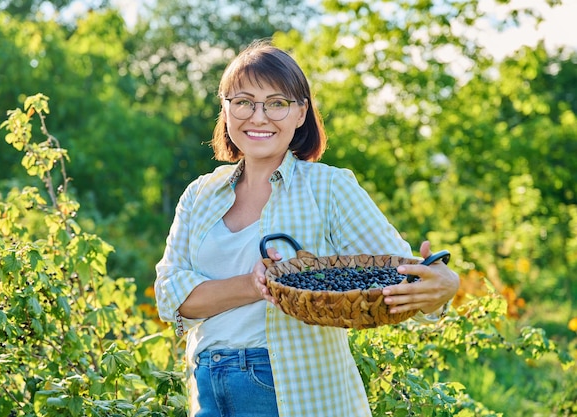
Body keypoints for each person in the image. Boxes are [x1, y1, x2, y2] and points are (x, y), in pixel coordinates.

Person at [154, 39, 460, 417]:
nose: (259, 117)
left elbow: (399, 273)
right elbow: (172, 298)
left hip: (286, 385)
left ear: (301, 113)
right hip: (207, 385)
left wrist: (443, 287)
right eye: (244, 102)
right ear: (226, 110)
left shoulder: (328, 188)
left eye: (277, 103)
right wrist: (255, 285)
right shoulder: (200, 194)